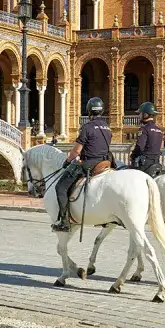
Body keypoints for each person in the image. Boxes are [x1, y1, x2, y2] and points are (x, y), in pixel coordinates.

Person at [53, 97, 112, 232]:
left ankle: (64, 221)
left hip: (89, 163)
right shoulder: (107, 128)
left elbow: (76, 150)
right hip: (104, 162)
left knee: (60, 187)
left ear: (89, 111)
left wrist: (67, 161)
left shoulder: (87, 127)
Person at [129, 102, 164, 178]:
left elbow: (139, 147)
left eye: (140, 114)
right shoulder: (159, 130)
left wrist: (133, 156)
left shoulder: (144, 129)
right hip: (156, 162)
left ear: (145, 115)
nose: (139, 116)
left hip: (145, 165)